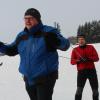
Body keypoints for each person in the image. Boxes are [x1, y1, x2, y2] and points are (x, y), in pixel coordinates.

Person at [0, 8, 70, 100]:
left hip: (45, 78)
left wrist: (56, 41)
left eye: (31, 18)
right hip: (28, 79)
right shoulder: (22, 35)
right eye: (25, 18)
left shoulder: (48, 31)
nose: (27, 21)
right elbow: (11, 50)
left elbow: (65, 45)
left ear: (38, 19)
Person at [71, 34, 99, 100]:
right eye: (79, 39)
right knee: (79, 90)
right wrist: (78, 60)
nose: (81, 41)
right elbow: (72, 62)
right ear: (78, 41)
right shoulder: (75, 49)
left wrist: (89, 58)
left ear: (85, 40)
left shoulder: (91, 47)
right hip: (81, 72)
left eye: (82, 39)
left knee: (95, 90)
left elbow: (97, 58)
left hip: (91, 71)